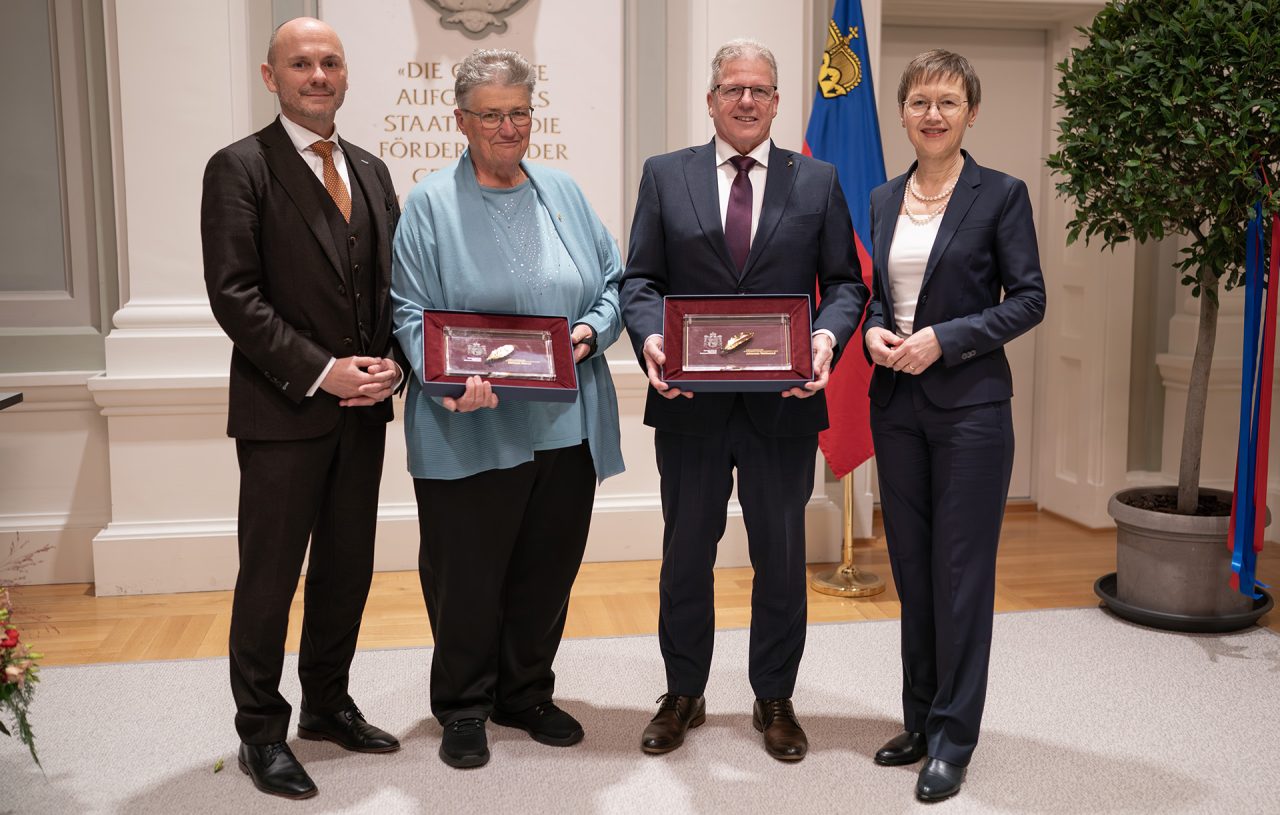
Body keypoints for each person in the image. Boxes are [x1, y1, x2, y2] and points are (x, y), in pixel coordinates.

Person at [620, 39, 867, 762]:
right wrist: (649, 340)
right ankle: (684, 691)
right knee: (685, 554)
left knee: (782, 559)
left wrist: (824, 340)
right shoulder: (666, 176)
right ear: (711, 99)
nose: (746, 100)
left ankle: (776, 697)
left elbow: (846, 284)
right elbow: (640, 281)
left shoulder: (816, 180)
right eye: (733, 88)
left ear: (778, 100)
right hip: (690, 402)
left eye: (760, 89)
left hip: (784, 405)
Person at [390, 48, 625, 770]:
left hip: (566, 420)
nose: (508, 126)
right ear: (460, 119)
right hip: (473, 421)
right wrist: (445, 377)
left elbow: (611, 283)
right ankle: (464, 702)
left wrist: (590, 330)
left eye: (519, 111)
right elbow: (408, 311)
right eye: (491, 113)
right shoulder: (430, 204)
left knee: (546, 568)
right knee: (467, 572)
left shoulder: (564, 191)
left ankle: (525, 690)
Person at [201, 17, 403, 801]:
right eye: (301, 64)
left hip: (364, 413)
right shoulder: (239, 168)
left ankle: (326, 702)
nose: (317, 75)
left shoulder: (373, 171)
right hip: (282, 411)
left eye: (330, 63)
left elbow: (386, 286)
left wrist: (391, 362)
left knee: (347, 571)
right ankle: (261, 730)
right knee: (271, 577)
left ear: (346, 76)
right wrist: (323, 372)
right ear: (270, 75)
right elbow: (235, 296)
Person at [862, 50, 1046, 802]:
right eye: (919, 102)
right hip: (895, 408)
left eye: (947, 101)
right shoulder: (879, 198)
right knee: (912, 571)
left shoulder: (1000, 194)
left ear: (971, 111)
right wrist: (873, 330)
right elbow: (878, 295)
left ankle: (953, 738)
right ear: (902, 113)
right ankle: (918, 718)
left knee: (961, 577)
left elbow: (1028, 298)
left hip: (971, 411)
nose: (932, 114)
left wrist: (949, 337)